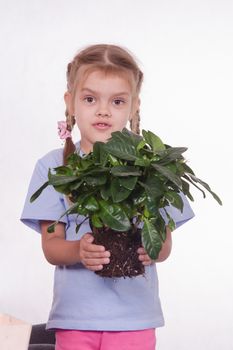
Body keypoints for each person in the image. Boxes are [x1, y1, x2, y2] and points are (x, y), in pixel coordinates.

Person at [21, 44, 194, 350]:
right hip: (75, 318)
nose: (103, 110)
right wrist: (79, 251)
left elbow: (164, 244)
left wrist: (152, 250)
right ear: (70, 103)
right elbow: (51, 245)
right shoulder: (54, 167)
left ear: (134, 106)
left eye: (117, 101)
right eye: (89, 99)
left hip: (135, 318)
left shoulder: (152, 167)